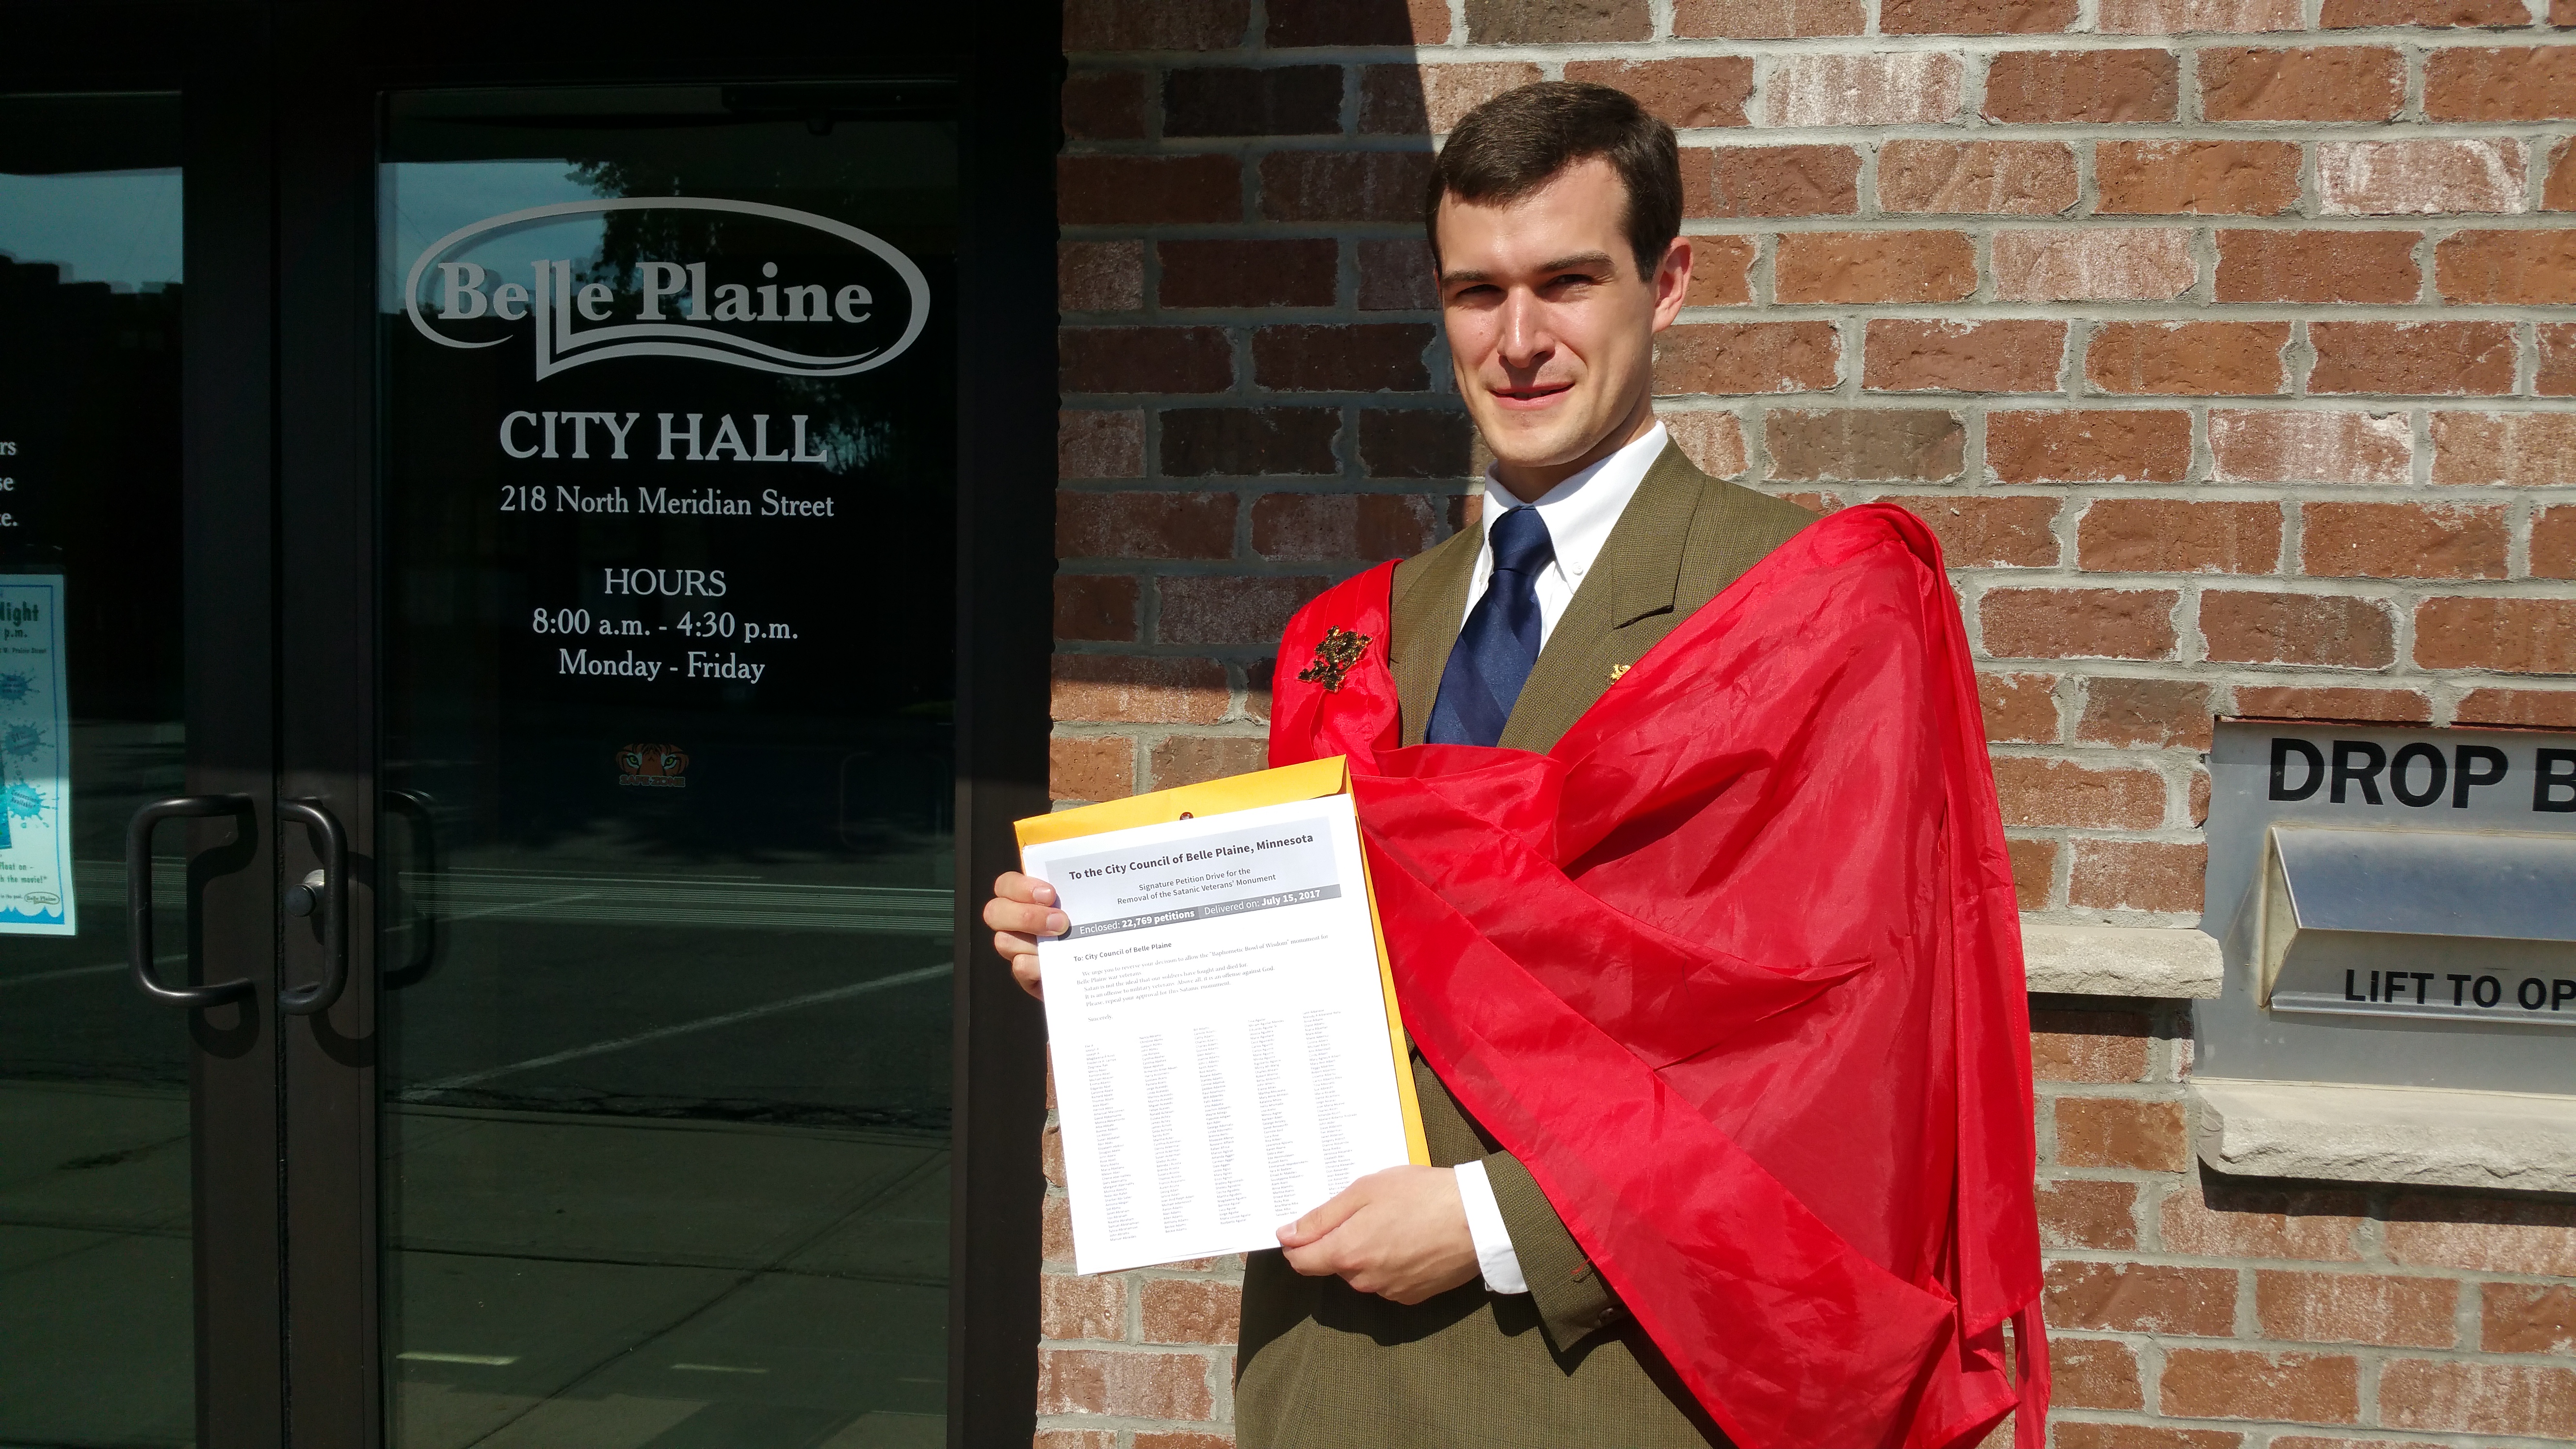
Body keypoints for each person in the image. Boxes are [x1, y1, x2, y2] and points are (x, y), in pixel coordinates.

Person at [989, 82, 2045, 1449]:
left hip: (1608, 1382)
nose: (1521, 340)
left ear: (1668, 284)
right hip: (1326, 1378)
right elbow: (1328, 998)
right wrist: (1115, 964)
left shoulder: (1809, 605)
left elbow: (1849, 1044)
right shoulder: (1352, 635)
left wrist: (1498, 1223)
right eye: (1477, 292)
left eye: (1568, 282)